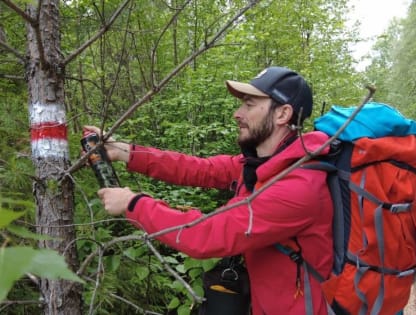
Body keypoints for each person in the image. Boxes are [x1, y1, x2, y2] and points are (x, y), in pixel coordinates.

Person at [86, 66, 334, 315]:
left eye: (249, 105)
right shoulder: (262, 165)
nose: (238, 113)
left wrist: (133, 204)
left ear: (282, 114)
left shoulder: (298, 187)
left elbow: (206, 234)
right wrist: (124, 151)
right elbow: (197, 168)